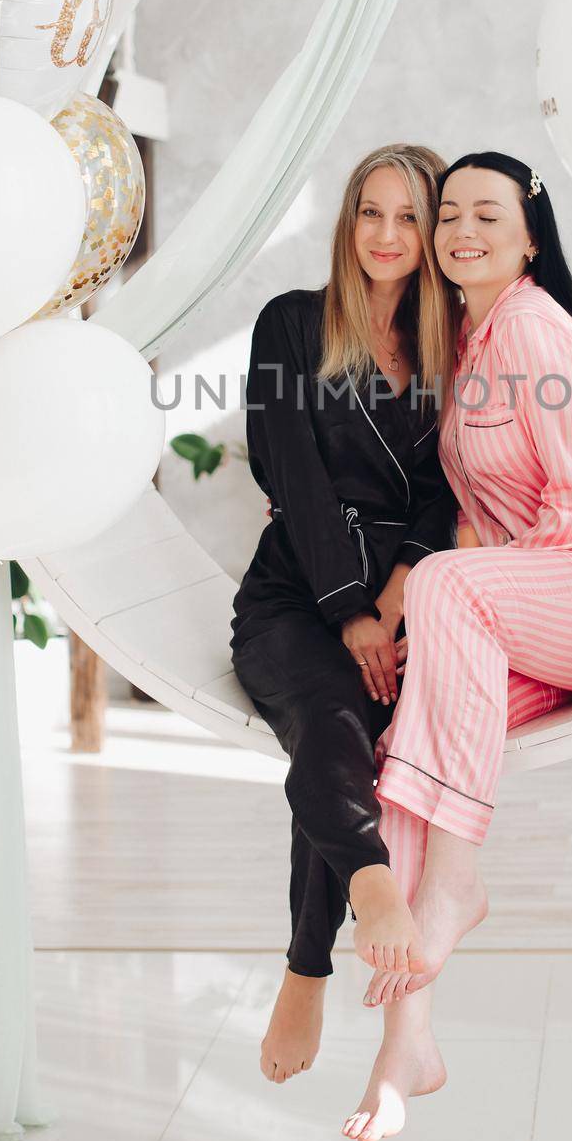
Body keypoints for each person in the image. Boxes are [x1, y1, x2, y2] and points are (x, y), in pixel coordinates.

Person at [340, 151, 572, 1141]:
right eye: (447, 213)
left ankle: (456, 885)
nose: (460, 228)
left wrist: (470, 597)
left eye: (484, 214)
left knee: (446, 586)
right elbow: (480, 522)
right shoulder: (471, 336)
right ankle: (406, 1037)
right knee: (402, 737)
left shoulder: (537, 329)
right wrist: (468, 620)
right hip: (547, 605)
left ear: (529, 235)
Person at [229, 143, 462, 1084]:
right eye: (371, 212)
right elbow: (290, 470)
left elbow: (453, 487)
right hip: (294, 590)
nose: (387, 234)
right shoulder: (291, 324)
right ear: (347, 220)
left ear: (433, 231)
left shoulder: (457, 347)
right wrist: (350, 612)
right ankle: (360, 910)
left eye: (409, 217)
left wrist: (399, 598)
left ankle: (305, 966)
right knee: (330, 713)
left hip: (407, 597)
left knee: (356, 742)